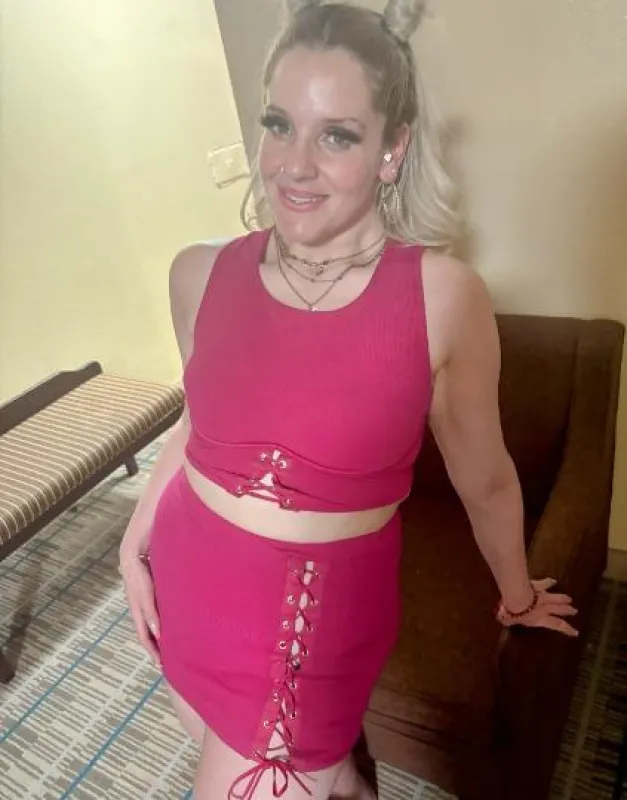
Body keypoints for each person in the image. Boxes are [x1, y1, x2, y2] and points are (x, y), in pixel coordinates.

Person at [119, 1, 579, 798]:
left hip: (304, 635)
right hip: (189, 577)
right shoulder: (197, 273)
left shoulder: (441, 299)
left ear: (391, 150)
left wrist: (515, 596)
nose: (294, 165)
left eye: (335, 135)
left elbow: (485, 477)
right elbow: (200, 421)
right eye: (279, 124)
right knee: (321, 775)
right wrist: (136, 538)